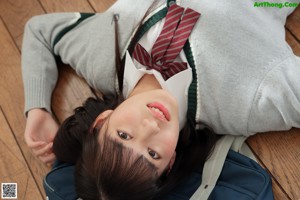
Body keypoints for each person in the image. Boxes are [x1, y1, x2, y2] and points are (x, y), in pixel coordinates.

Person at [22, 0, 300, 199]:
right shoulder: (247, 101)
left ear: (101, 122)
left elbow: (40, 31)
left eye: (124, 135)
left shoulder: (100, 56)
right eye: (153, 154)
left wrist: (37, 108)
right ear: (170, 162)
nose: (151, 128)